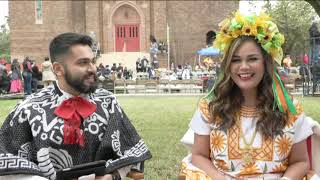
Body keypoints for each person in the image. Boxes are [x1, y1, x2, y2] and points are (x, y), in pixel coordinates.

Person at [180, 11, 319, 180]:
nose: (243, 67)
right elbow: (199, 156)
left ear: (265, 62)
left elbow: (301, 162)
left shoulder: (289, 109)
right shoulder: (211, 107)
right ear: (228, 65)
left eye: (252, 59)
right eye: (236, 60)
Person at [0, 32, 152, 180]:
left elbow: (131, 149)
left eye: (92, 61)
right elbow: (5, 157)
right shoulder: (29, 108)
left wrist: (113, 176)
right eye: (83, 62)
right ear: (58, 69)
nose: (93, 68)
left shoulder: (108, 102)